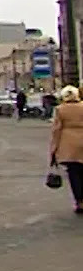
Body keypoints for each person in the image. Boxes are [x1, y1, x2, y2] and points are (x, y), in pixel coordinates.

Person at [49, 85, 83, 214]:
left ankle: (79, 201)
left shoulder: (60, 110)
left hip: (68, 145)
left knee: (73, 174)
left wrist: (53, 149)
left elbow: (56, 130)